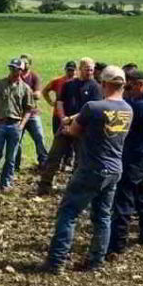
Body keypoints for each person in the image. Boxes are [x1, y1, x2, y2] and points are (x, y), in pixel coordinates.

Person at [40, 65, 132, 274]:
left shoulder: (92, 107)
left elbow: (73, 131)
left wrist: (69, 123)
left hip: (91, 168)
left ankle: (56, 262)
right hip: (114, 169)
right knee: (103, 216)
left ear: (104, 84)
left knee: (69, 212)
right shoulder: (128, 109)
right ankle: (96, 261)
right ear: (123, 84)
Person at [108, 70, 143, 255]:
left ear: (140, 84)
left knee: (123, 204)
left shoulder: (138, 108)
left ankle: (117, 244)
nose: (127, 91)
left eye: (129, 87)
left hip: (133, 160)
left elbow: (114, 128)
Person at [36, 57, 102, 195]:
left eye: (91, 69)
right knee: (54, 156)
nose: (90, 72)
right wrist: (62, 118)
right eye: (87, 69)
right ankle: (44, 185)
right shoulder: (68, 84)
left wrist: (70, 119)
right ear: (80, 69)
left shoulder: (96, 87)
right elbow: (60, 102)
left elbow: (90, 109)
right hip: (65, 125)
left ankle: (75, 186)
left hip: (83, 128)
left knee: (80, 159)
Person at [0, 58, 33, 192]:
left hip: (15, 125)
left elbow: (28, 109)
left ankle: (5, 183)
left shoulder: (25, 88)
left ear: (21, 70)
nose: (13, 71)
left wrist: (22, 125)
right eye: (11, 68)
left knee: (11, 157)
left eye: (16, 68)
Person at [14, 55, 48, 171]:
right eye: (21, 62)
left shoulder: (34, 77)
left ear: (29, 64)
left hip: (33, 114)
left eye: (25, 62)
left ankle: (43, 162)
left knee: (40, 138)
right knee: (16, 140)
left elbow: (37, 95)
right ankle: (15, 165)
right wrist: (29, 93)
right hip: (17, 114)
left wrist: (22, 94)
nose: (23, 65)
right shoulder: (15, 76)